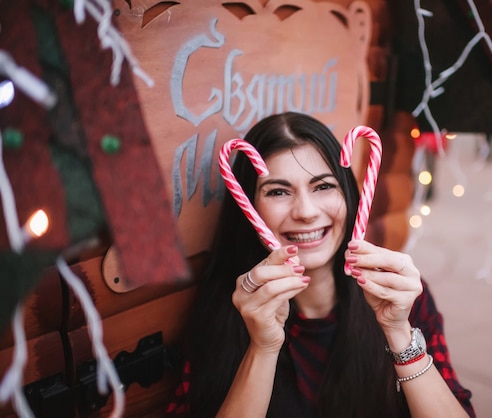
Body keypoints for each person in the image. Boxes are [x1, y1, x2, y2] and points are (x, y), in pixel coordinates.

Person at [166, 112, 474, 417]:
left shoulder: (401, 296)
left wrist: (399, 333)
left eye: (323, 186)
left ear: (349, 193)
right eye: (278, 191)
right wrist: (262, 348)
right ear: (249, 207)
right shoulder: (222, 312)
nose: (306, 212)